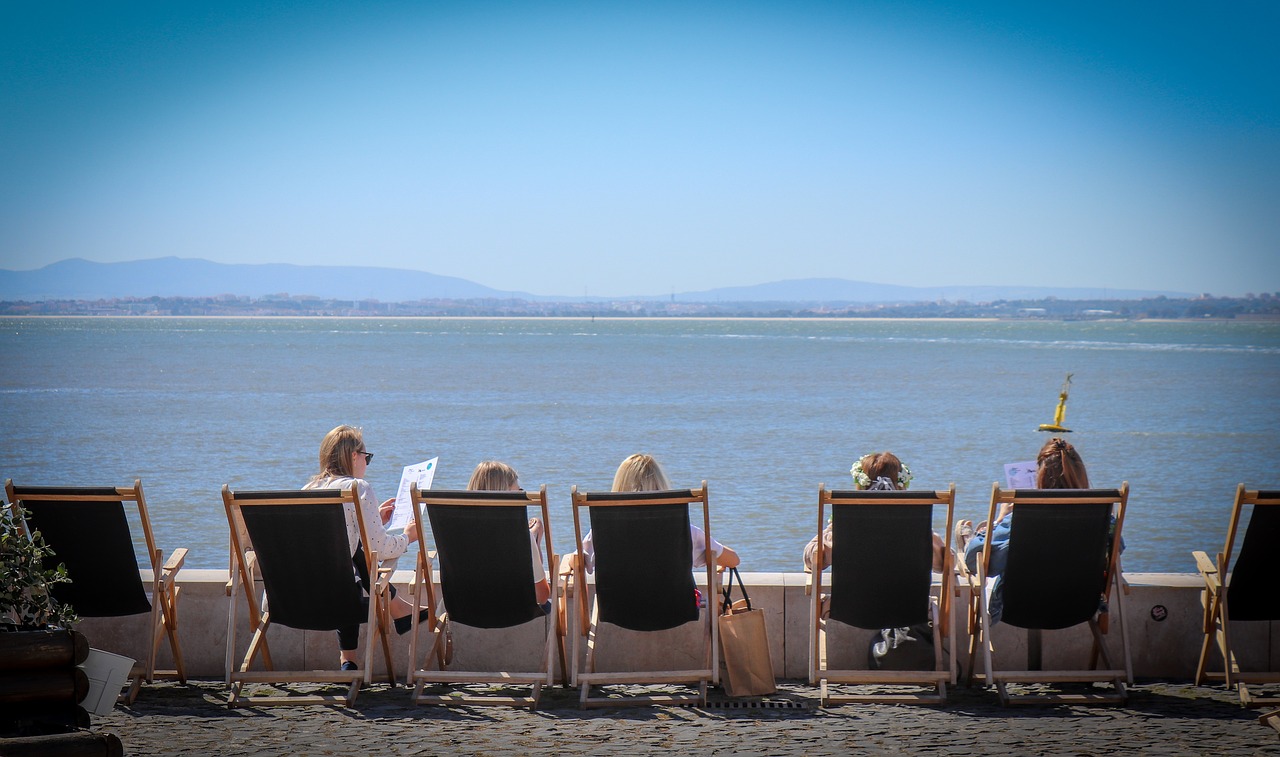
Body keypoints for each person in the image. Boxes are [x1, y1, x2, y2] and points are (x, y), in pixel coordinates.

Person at [960, 436, 1119, 625]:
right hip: (1080, 607)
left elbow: (976, 561)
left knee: (980, 544)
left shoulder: (1020, 522)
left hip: (1019, 608)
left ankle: (977, 533)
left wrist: (1000, 520)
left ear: (1040, 478)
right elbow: (1116, 553)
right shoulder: (1103, 523)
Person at [303, 425, 425, 671]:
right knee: (353, 566)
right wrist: (407, 537)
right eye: (367, 457)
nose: (367, 464)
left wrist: (373, 521)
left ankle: (348, 660)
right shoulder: (358, 488)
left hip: (295, 602)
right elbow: (381, 547)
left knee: (345, 557)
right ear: (354, 456)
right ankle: (398, 608)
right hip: (341, 602)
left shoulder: (307, 492)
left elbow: (329, 542)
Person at [578, 453, 739, 573]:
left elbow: (577, 560)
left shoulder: (601, 534)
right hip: (675, 610)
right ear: (661, 486)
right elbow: (733, 560)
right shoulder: (684, 532)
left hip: (617, 611)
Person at [803, 451, 946, 573]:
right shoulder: (915, 529)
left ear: (861, 485)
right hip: (912, 605)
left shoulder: (846, 528)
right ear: (901, 484)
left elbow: (812, 558)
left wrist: (832, 529)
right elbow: (944, 562)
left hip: (852, 605)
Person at [466, 461, 551, 608]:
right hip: (513, 613)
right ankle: (535, 539)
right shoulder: (518, 535)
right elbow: (541, 596)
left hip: (462, 609)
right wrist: (533, 543)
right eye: (519, 492)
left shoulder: (455, 529)